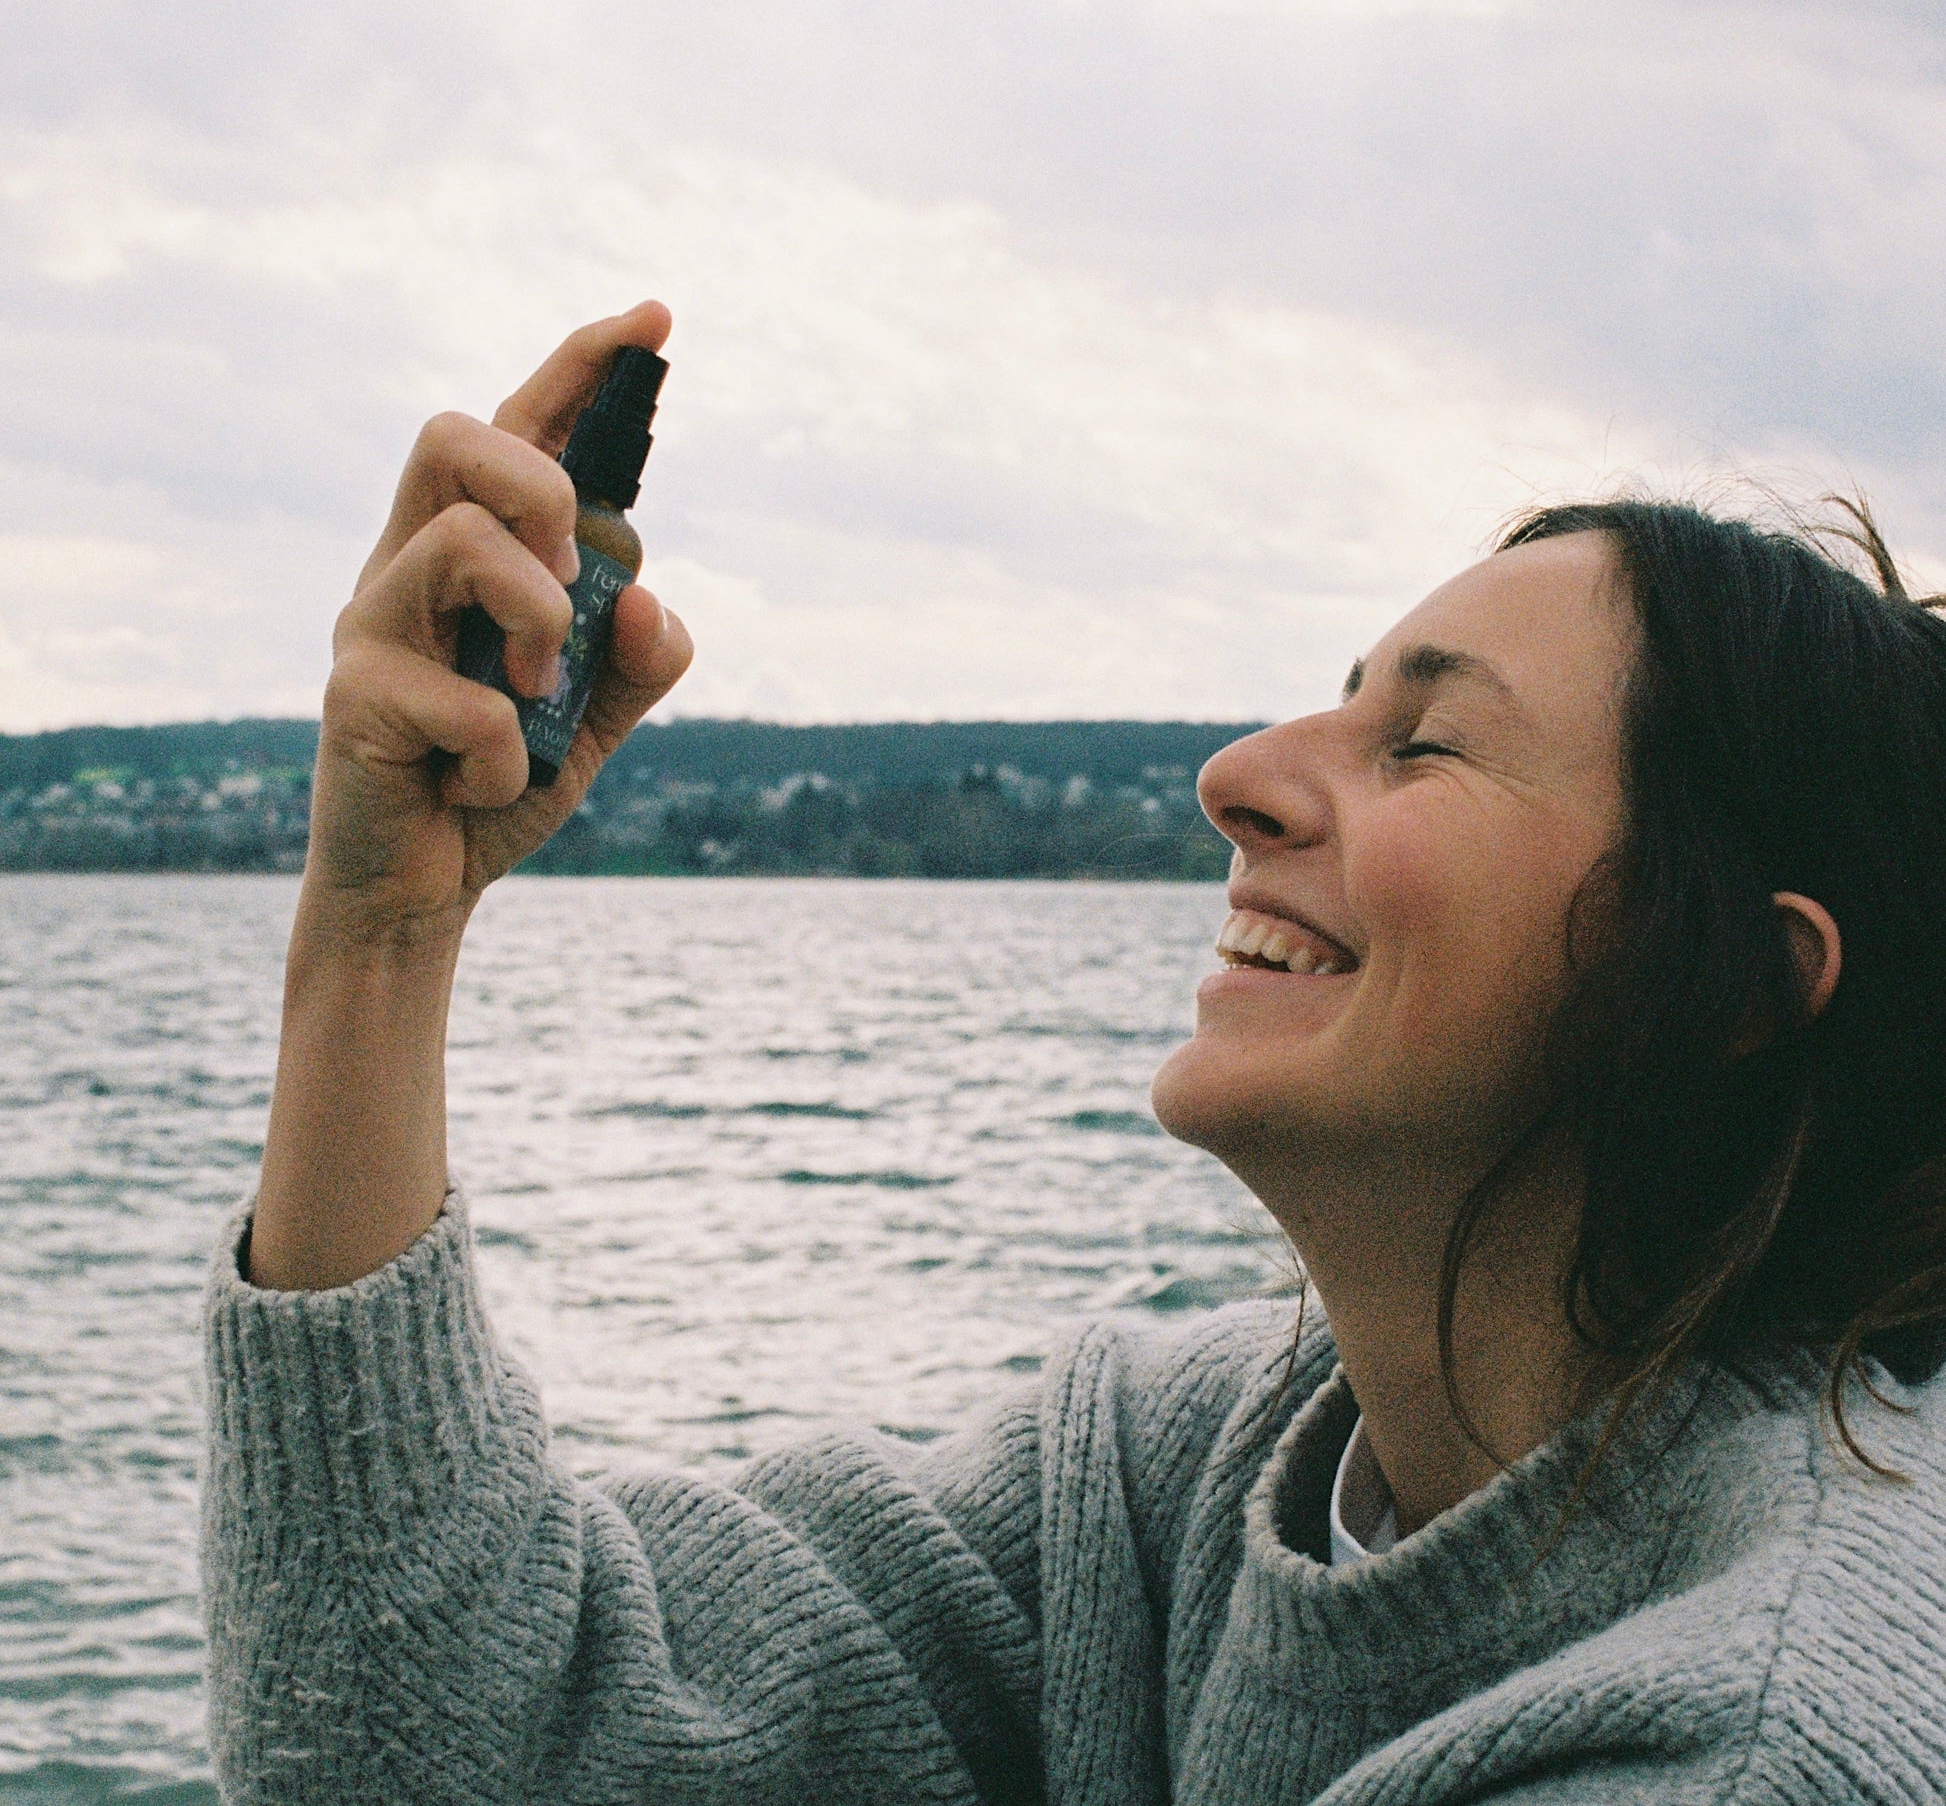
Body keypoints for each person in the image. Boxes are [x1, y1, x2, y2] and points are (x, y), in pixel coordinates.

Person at [202, 302, 1946, 1803]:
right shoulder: (1175, 1477)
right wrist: (378, 937)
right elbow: (440, 1743)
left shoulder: (1762, 1736)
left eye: (1421, 742)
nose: (1235, 774)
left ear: (1728, 988)